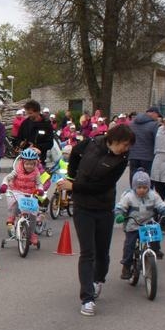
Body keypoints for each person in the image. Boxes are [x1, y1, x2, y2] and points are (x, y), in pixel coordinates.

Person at [56, 123, 135, 316]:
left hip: (104, 207)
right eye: (124, 144)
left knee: (102, 252)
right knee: (87, 252)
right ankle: (87, 299)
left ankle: (98, 279)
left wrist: (73, 187)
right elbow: (75, 153)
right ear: (114, 140)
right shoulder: (92, 143)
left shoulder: (122, 160)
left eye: (128, 146)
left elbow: (102, 186)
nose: (126, 149)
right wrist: (72, 177)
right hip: (83, 208)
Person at [115, 170, 165, 280]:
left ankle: (155, 251)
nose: (142, 190)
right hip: (133, 225)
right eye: (139, 187)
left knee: (155, 237)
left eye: (145, 187)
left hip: (148, 223)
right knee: (129, 245)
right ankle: (126, 265)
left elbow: (161, 205)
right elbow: (120, 207)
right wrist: (119, 215)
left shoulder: (153, 195)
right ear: (134, 187)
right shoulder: (129, 196)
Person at [0, 148, 47, 247]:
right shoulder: (17, 170)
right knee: (15, 203)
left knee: (33, 215)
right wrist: (4, 184)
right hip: (17, 191)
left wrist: (40, 189)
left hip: (30, 193)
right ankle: (12, 217)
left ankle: (32, 234)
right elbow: (8, 178)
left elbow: (39, 183)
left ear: (35, 163)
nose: (29, 166)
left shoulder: (36, 173)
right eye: (27, 164)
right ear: (22, 162)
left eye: (32, 164)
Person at [127, 106, 161, 185]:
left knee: (134, 177)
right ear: (153, 113)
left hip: (133, 156)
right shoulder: (154, 125)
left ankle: (133, 191)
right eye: (157, 115)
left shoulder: (132, 123)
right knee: (147, 180)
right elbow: (157, 141)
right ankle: (147, 192)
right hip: (148, 157)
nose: (158, 117)